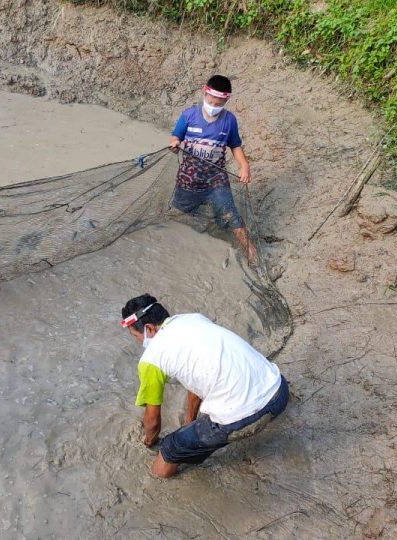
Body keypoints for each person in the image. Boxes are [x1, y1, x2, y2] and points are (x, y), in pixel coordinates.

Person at [121, 294, 289, 478]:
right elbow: (197, 379)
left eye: (135, 336)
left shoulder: (151, 359)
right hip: (279, 390)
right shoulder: (193, 318)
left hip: (245, 416)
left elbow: (152, 422)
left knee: (170, 448)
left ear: (149, 329)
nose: (138, 341)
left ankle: (159, 486)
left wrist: (148, 442)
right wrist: (189, 422)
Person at [169, 74, 257, 262]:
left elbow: (235, 145)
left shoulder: (229, 120)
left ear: (226, 100)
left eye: (219, 104)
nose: (214, 107)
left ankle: (252, 256)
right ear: (205, 92)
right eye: (211, 102)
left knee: (231, 215)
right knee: (179, 214)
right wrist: (175, 144)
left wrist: (244, 165)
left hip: (216, 179)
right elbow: (176, 136)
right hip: (188, 179)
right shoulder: (188, 115)